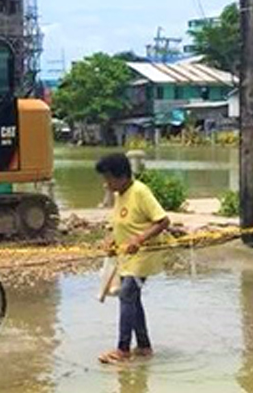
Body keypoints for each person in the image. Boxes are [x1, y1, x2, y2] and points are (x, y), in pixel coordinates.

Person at [95, 153, 171, 364]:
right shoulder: (120, 194)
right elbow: (117, 224)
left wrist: (140, 239)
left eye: (109, 178)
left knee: (126, 294)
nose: (106, 183)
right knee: (132, 298)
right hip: (126, 257)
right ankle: (145, 346)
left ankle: (123, 350)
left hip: (144, 255)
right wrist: (110, 241)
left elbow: (163, 221)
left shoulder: (140, 192)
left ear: (121, 176)